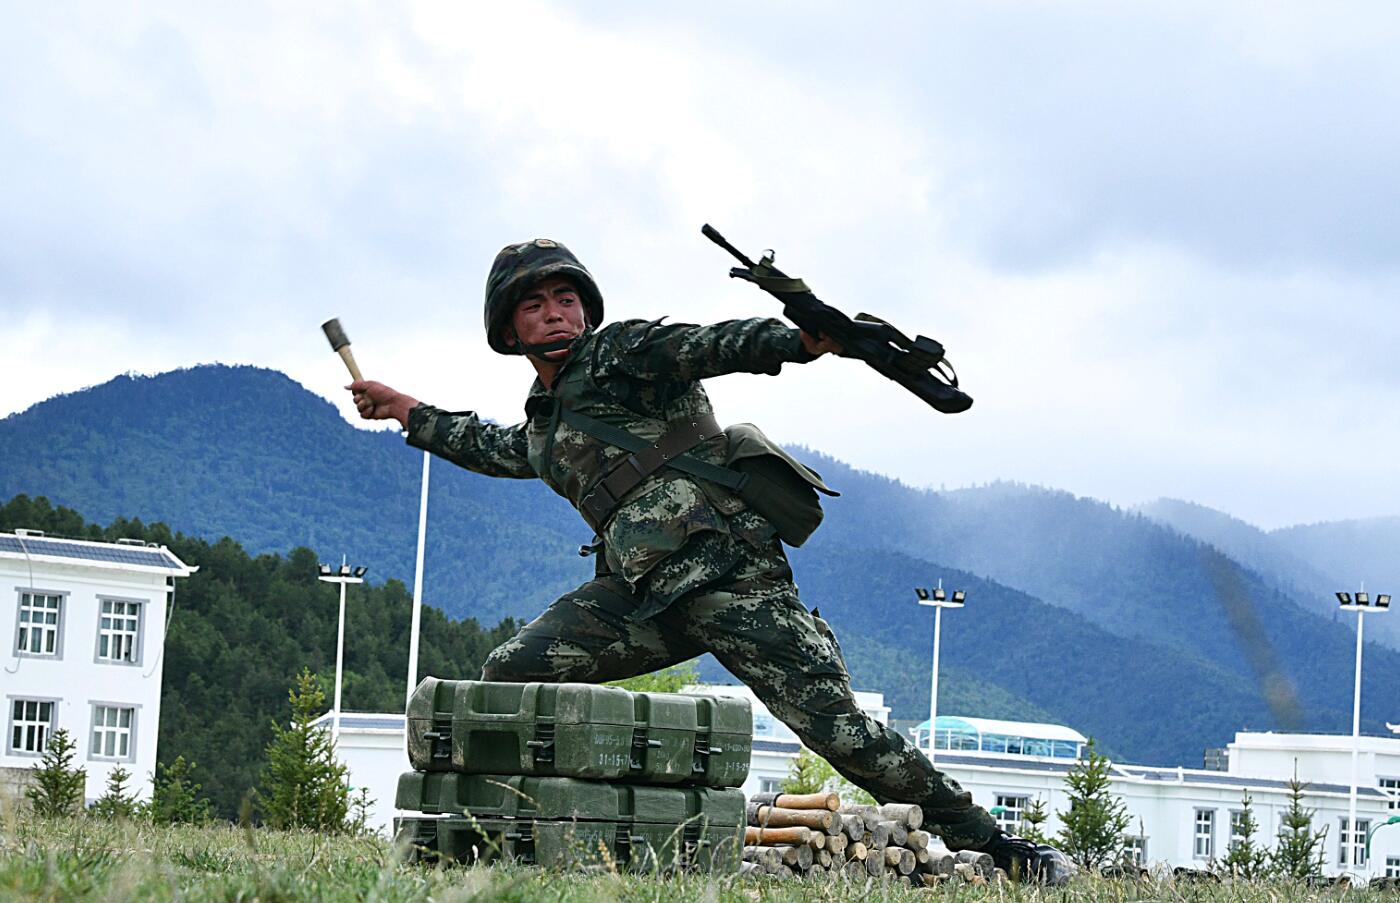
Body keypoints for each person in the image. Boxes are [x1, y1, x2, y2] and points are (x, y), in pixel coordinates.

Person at [349, 238, 1070, 882]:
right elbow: (487, 444)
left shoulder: (620, 354)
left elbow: (704, 345)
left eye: (566, 298)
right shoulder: (546, 427)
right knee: (512, 671)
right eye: (534, 305)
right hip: (641, 595)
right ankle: (550, 832)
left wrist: (795, 342)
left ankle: (1006, 850)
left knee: (844, 734)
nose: (555, 313)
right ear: (508, 329)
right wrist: (402, 407)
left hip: (731, 577)